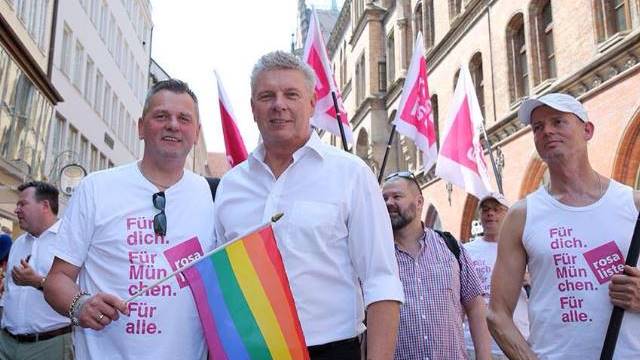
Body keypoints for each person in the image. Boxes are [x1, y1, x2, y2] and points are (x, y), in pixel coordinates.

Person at [213, 51, 404, 360]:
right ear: (252, 108)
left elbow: (381, 280)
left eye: (291, 94)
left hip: (330, 350)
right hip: (248, 352)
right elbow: (222, 283)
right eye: (266, 96)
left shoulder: (351, 174)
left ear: (312, 103)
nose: (279, 105)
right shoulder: (231, 186)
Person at [43, 79, 215, 359]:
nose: (173, 124)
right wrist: (79, 304)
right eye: (161, 116)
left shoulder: (210, 196)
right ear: (141, 126)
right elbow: (57, 280)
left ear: (196, 133)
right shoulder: (96, 188)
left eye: (184, 118)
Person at [488, 93, 640, 359]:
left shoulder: (634, 204)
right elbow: (497, 314)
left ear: (587, 130)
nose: (546, 131)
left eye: (558, 121)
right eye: (537, 127)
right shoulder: (522, 215)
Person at [382, 172, 491, 360]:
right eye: (384, 198)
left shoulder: (451, 247)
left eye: (397, 196)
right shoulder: (377, 254)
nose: (389, 203)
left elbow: (476, 307)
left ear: (419, 202)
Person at [0, 181, 72, 359]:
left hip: (48, 346)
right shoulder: (18, 243)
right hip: (6, 343)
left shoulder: (70, 241)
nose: (17, 210)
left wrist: (38, 282)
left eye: (22, 204)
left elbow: (79, 295)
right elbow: (9, 291)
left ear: (45, 205)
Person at [462, 192, 529, 359]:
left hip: (516, 341)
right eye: (485, 210)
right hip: (474, 344)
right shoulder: (465, 251)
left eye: (497, 209)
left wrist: (530, 280)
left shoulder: (525, 248)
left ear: (509, 214)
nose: (490, 213)